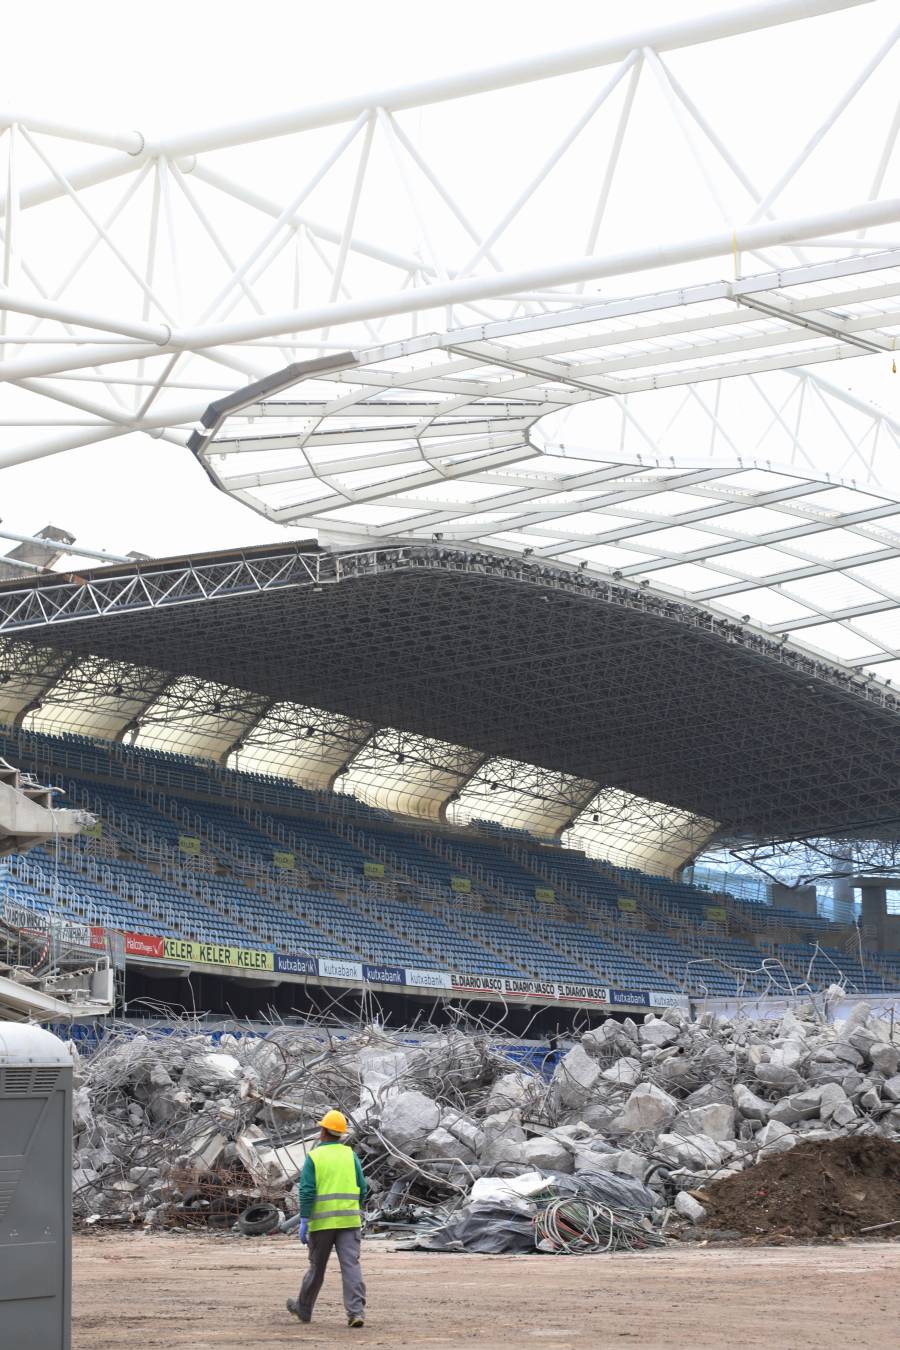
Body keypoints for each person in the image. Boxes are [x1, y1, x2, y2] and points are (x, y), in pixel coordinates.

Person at [286, 1109, 367, 1328]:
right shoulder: (350, 1155)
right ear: (340, 1134)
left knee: (316, 1268)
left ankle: (303, 1309)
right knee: (351, 1266)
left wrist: (304, 1219)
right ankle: (355, 1313)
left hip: (322, 1224)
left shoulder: (314, 1156)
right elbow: (363, 1187)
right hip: (349, 1222)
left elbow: (307, 1191)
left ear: (322, 1132)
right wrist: (355, 1208)